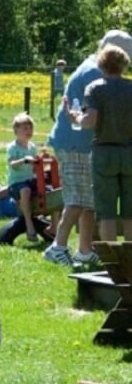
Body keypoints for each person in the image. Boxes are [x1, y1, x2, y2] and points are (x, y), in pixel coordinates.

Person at [45, 30, 131, 265]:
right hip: (78, 143)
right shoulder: (96, 74)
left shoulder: (91, 67)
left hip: (81, 142)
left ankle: (84, 250)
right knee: (78, 198)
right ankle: (58, 247)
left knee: (89, 200)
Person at [71, 43, 132, 260]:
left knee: (106, 211)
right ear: (123, 65)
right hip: (129, 152)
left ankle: (113, 262)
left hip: (104, 153)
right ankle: (130, 259)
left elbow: (90, 121)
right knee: (129, 211)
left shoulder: (95, 88)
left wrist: (76, 117)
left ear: (102, 64)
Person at [0, 112, 45, 247]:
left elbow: (36, 166)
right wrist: (24, 160)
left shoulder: (32, 147)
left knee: (50, 190)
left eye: (30, 128)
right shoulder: (13, 147)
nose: (29, 131)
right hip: (16, 184)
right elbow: (12, 164)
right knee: (25, 190)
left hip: (31, 181)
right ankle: (29, 224)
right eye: (25, 128)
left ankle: (53, 227)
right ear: (16, 130)